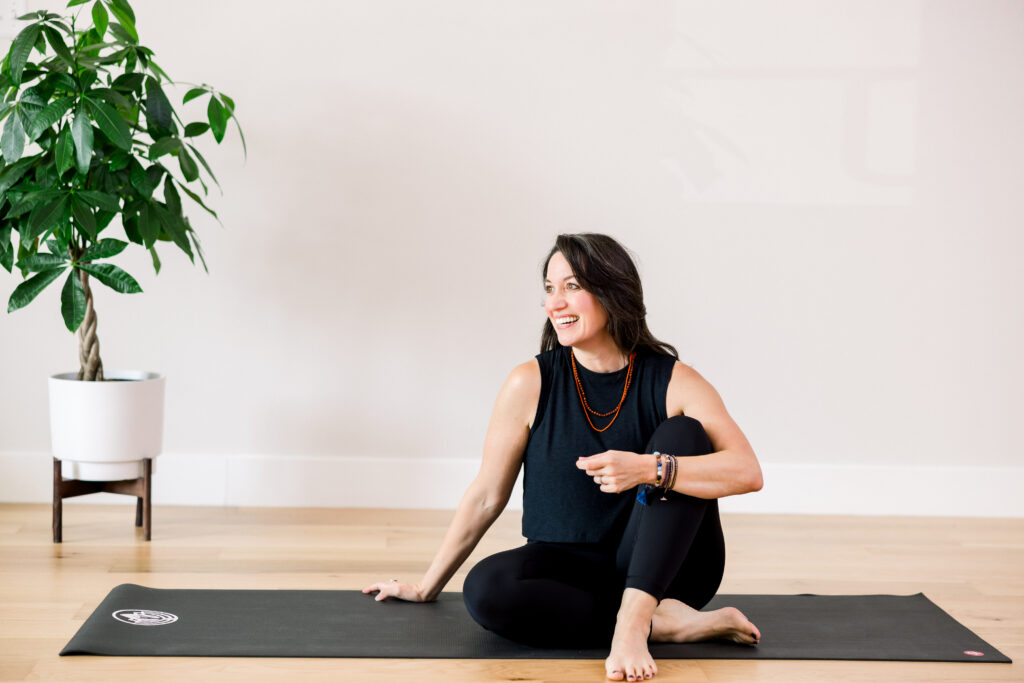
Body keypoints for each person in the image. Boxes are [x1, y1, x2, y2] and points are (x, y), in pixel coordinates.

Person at [364, 233, 764, 681]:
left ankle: (634, 624)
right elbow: (486, 495)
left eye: (572, 286)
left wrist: (649, 468)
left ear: (613, 291)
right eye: (550, 288)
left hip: (671, 571)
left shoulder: (674, 380)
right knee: (485, 589)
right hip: (571, 570)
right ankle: (672, 624)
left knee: (683, 435)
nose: (556, 302)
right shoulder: (529, 381)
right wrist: (426, 586)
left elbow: (747, 471)